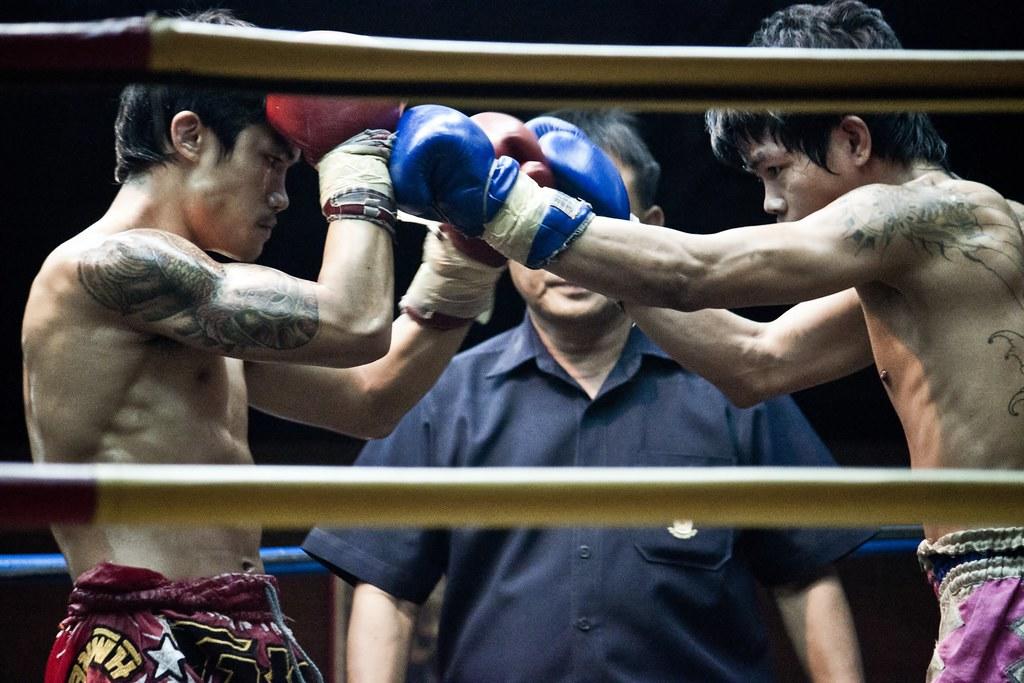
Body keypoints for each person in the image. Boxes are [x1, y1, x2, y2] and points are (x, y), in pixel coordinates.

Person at [387, 3, 1024, 680]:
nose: (770, 202)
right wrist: (614, 241)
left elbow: (696, 272)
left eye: (775, 170)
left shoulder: (919, 214)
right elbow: (755, 361)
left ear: (854, 141)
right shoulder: (950, 248)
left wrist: (500, 207)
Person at [22, 10, 506, 683]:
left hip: (248, 629)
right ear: (189, 135)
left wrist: (464, 261)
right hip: (142, 638)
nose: (283, 198)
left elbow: (373, 397)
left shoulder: (200, 309)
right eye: (270, 163)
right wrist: (355, 155)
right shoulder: (110, 270)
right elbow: (353, 320)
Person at [305, 109, 871, 682]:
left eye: (591, 223)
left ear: (647, 228)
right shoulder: (440, 393)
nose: (567, 254)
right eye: (543, 218)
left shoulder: (731, 383)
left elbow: (805, 578)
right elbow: (385, 589)